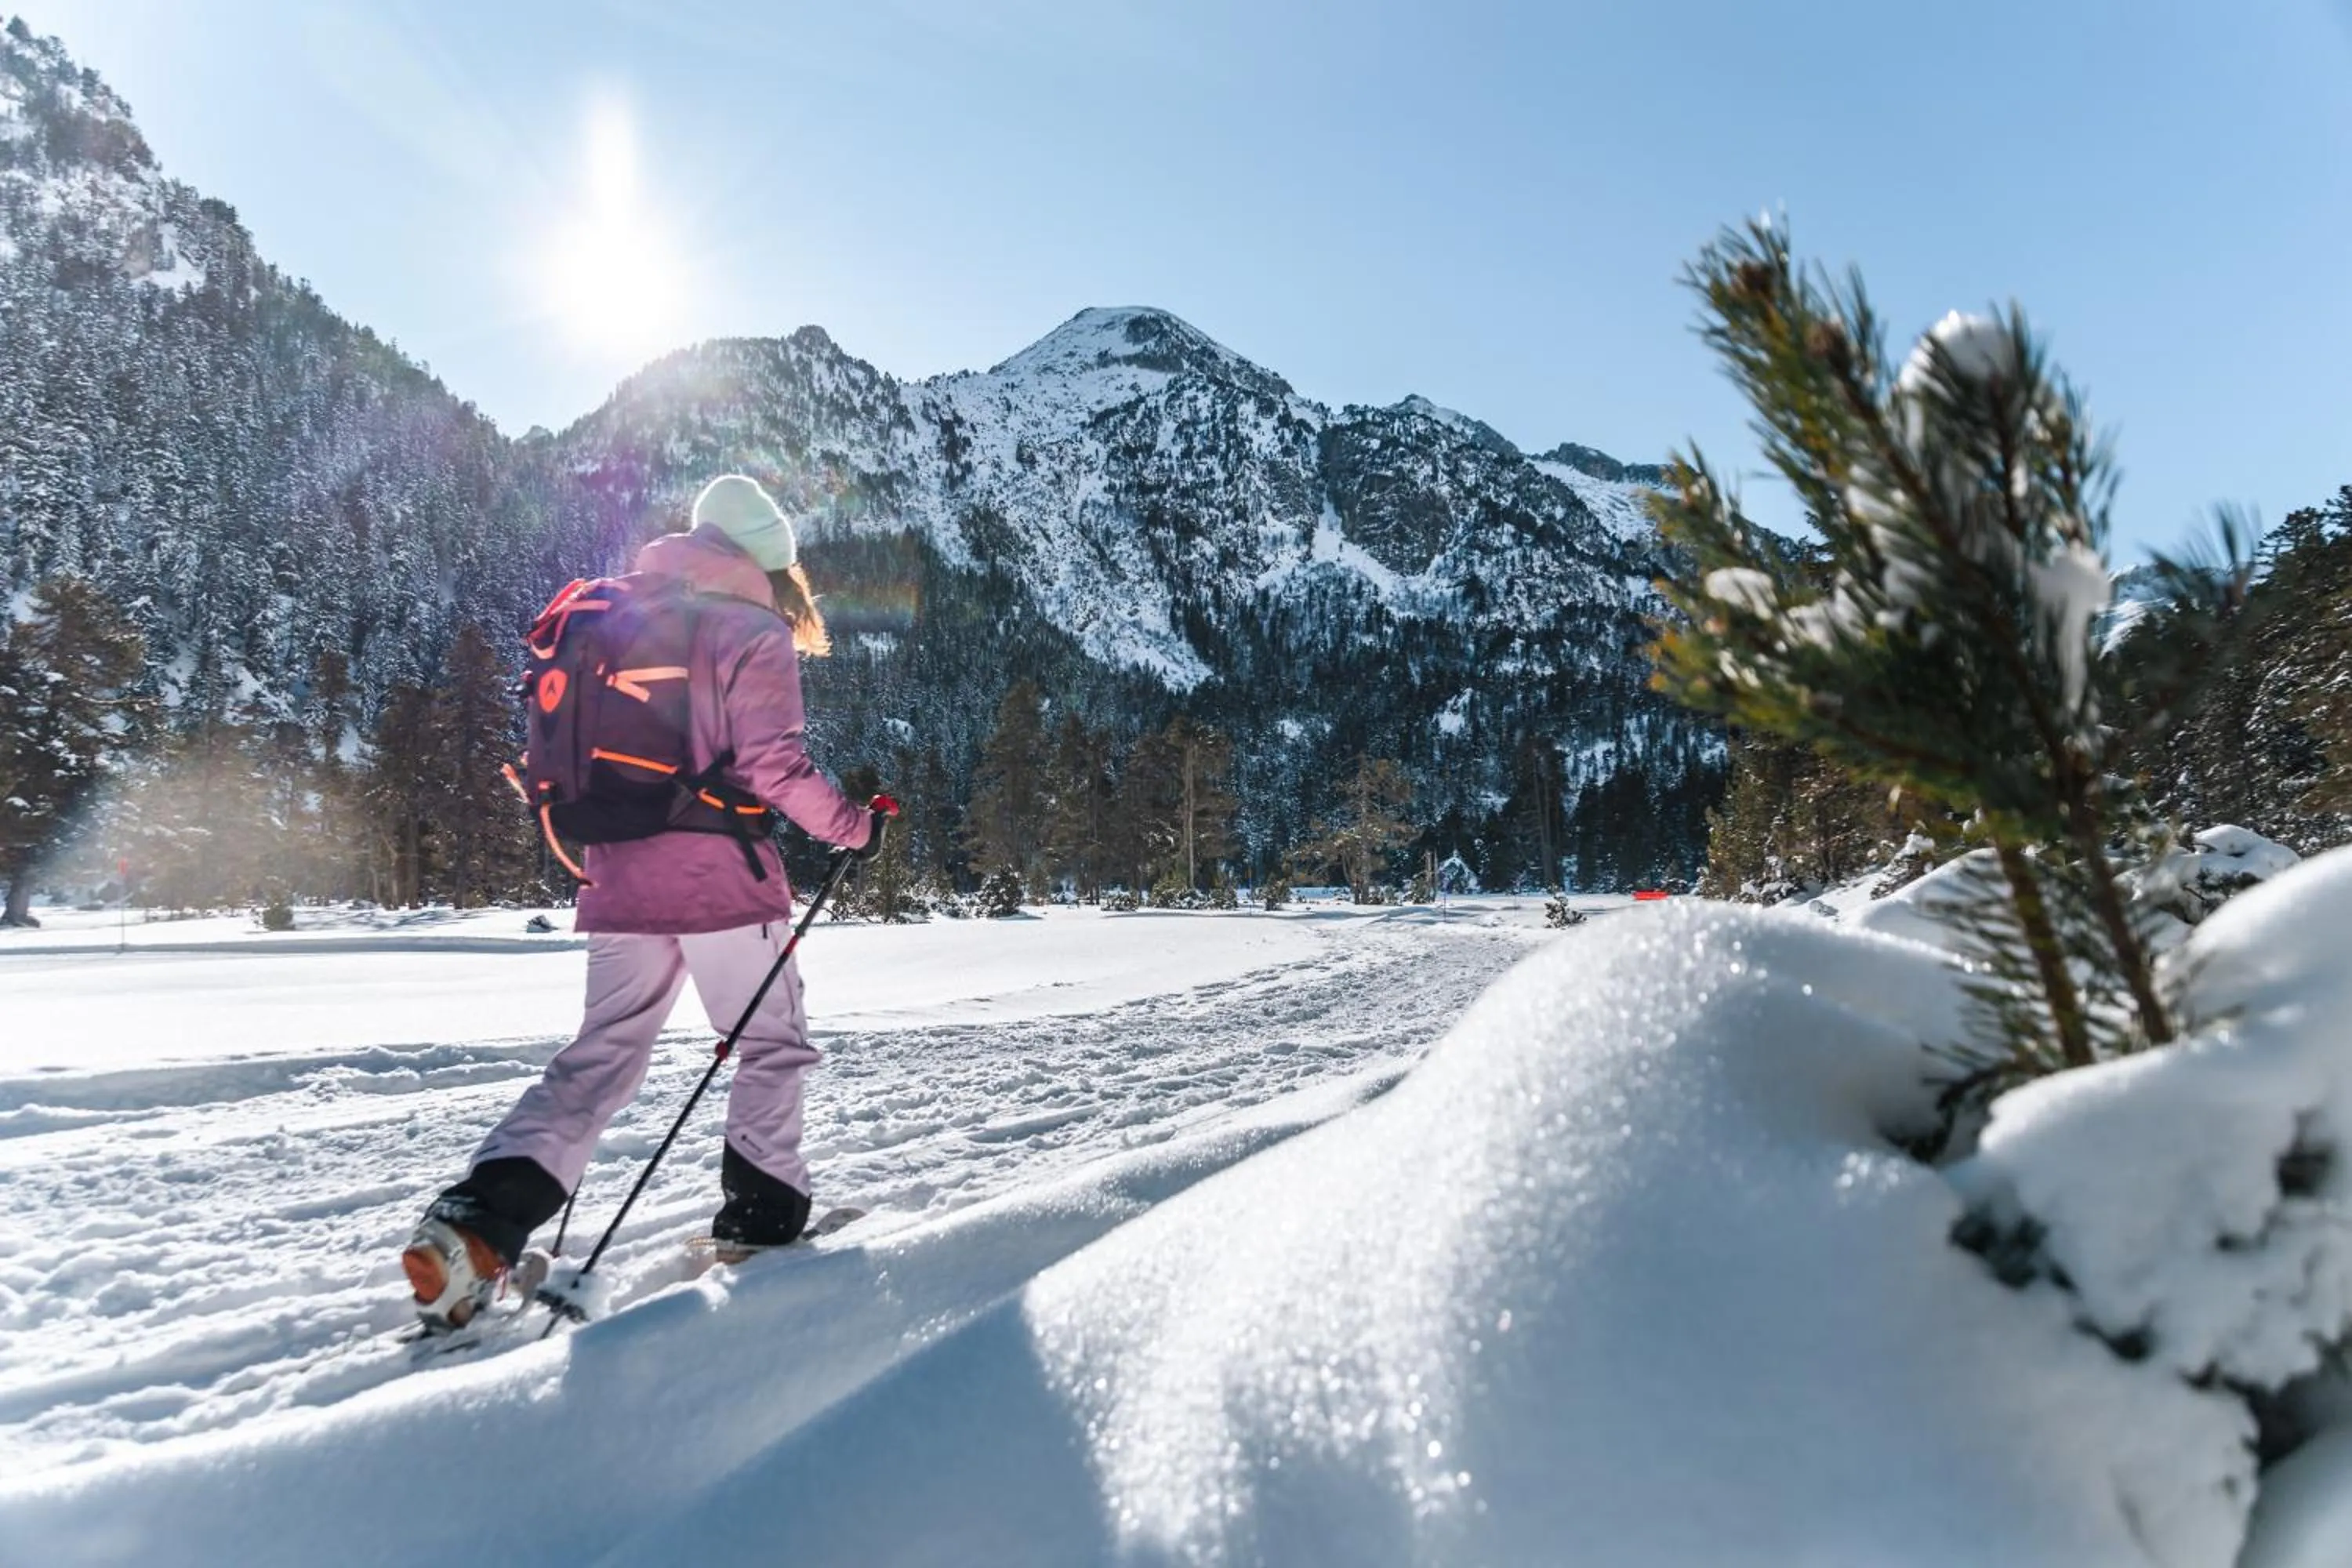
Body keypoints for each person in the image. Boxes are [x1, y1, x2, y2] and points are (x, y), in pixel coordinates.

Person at [401, 474, 886, 1329]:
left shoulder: (621, 614)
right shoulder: (753, 627)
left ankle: (476, 1227)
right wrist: (852, 827)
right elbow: (773, 767)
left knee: (600, 1058)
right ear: (768, 561)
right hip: (723, 877)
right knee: (770, 1042)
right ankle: (762, 1223)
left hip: (616, 868)